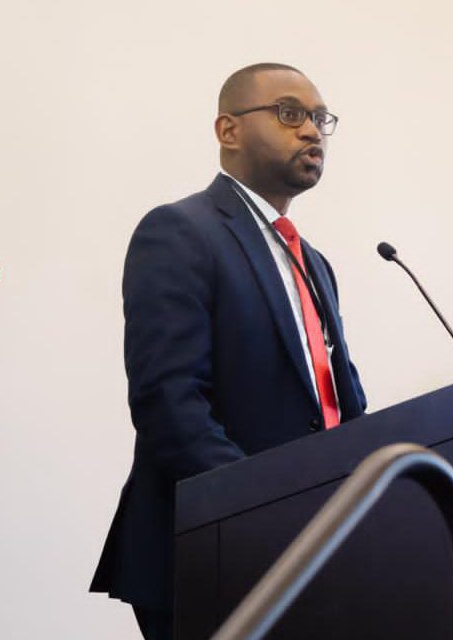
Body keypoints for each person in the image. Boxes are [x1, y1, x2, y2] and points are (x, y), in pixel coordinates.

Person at [89, 62, 367, 640]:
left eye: (320, 119)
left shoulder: (314, 264)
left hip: (310, 551)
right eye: (290, 113)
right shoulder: (180, 232)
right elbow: (170, 403)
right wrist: (262, 507)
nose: (311, 130)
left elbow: (339, 409)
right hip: (211, 551)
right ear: (229, 130)